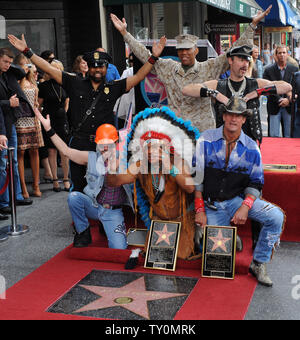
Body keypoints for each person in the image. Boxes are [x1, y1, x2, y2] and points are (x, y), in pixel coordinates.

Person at [8, 33, 166, 193]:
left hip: (105, 146)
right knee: (79, 188)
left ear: (106, 68)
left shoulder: (114, 87)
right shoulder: (73, 82)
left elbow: (139, 76)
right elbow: (47, 67)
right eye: (93, 66)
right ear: (88, 67)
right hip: (79, 142)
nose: (97, 69)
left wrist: (153, 57)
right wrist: (27, 51)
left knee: (107, 189)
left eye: (101, 66)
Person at [182, 44, 291, 250]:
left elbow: (286, 87)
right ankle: (228, 234)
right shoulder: (220, 84)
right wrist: (216, 94)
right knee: (220, 188)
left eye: (247, 60)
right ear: (230, 61)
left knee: (253, 190)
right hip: (222, 144)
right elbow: (186, 89)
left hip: (249, 146)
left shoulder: (253, 83)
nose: (245, 63)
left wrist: (255, 94)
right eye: (240, 59)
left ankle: (257, 241)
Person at [110, 6, 272, 133]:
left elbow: (234, 51)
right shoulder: (169, 68)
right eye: (181, 50)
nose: (184, 53)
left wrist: (252, 25)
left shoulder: (208, 67)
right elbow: (145, 56)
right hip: (176, 130)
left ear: (195, 51)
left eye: (188, 49)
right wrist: (125, 33)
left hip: (202, 131)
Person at [194, 96, 285, 287]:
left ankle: (259, 262)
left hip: (237, 201)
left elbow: (256, 182)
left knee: (276, 217)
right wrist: (199, 208)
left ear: (244, 119)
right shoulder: (206, 139)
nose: (233, 119)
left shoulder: (252, 147)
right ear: (224, 116)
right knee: (216, 266)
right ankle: (227, 237)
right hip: (212, 205)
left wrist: (246, 206)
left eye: (238, 115)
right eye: (229, 114)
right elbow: (196, 177)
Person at [106, 106, 199, 260]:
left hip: (182, 220)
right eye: (148, 147)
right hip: (159, 221)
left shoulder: (177, 161)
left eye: (156, 147)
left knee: (181, 257)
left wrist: (169, 167)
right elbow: (116, 182)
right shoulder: (141, 165)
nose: (151, 151)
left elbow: (190, 188)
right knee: (157, 259)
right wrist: (111, 169)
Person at [35, 107, 134, 248]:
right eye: (102, 144)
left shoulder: (125, 162)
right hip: (94, 206)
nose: (105, 148)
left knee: (119, 248)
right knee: (74, 197)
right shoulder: (91, 157)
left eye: (109, 144)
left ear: (116, 143)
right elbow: (66, 151)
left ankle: (105, 226)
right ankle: (83, 231)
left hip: (113, 212)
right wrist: (49, 129)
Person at [0, 48, 33, 216]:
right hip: (1, 126)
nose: (8, 65)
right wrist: (8, 103)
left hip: (10, 122)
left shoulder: (9, 73)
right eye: (5, 61)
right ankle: (4, 201)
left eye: (9, 62)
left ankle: (16, 196)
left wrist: (8, 65)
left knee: (12, 161)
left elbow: (21, 71)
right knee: (2, 165)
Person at [14, 54, 44, 198]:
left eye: (28, 65)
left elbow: (37, 102)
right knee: (20, 153)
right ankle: (23, 188)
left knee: (35, 151)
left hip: (33, 120)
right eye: (24, 65)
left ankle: (36, 185)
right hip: (20, 120)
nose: (27, 67)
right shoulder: (15, 81)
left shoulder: (33, 80)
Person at [38, 59, 70, 192]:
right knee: (51, 150)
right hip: (49, 120)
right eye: (52, 68)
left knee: (64, 151)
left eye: (57, 69)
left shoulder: (66, 84)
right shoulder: (44, 86)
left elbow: (67, 102)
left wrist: (63, 114)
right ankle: (55, 180)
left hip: (62, 120)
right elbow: (39, 105)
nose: (55, 71)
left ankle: (66, 179)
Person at [263, 44, 299, 138]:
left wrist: (288, 100)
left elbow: (296, 88)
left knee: (289, 136)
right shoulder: (268, 70)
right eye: (279, 53)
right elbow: (267, 89)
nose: (282, 55)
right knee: (274, 137)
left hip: (289, 107)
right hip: (274, 106)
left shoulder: (294, 69)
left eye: (284, 52)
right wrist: (279, 99)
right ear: (276, 54)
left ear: (288, 54)